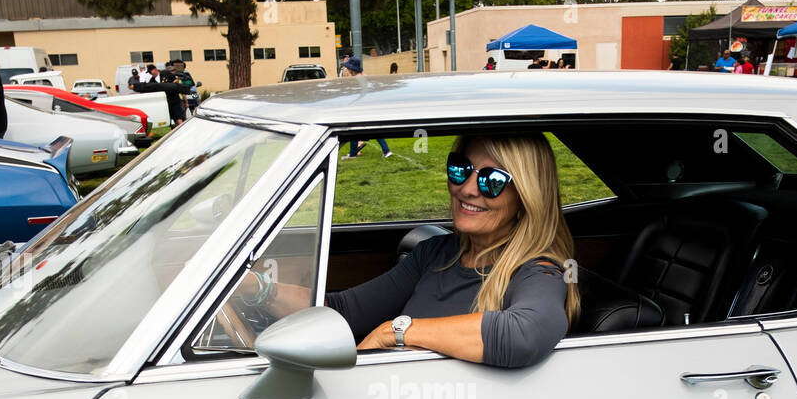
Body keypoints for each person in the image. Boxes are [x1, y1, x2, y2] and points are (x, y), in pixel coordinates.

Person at [244, 134, 578, 368]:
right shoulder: (436, 253)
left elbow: (525, 334)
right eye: (461, 169)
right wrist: (255, 290)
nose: (467, 189)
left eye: (492, 181)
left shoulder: (541, 270)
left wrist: (397, 332)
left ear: (527, 196)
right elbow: (345, 310)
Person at [340, 57, 392, 158]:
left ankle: (386, 151)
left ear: (352, 69)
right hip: (368, 107)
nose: (348, 70)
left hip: (363, 108)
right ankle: (353, 153)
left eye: (349, 68)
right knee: (357, 131)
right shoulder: (363, 76)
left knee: (365, 130)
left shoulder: (358, 79)